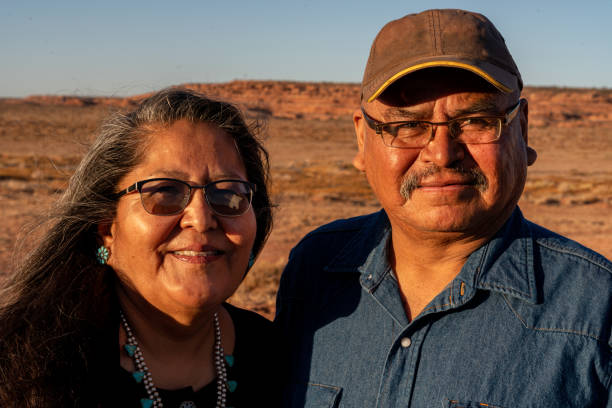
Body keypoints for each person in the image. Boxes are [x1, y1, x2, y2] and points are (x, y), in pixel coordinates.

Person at [275, 9, 612, 407]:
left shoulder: (597, 311)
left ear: (521, 130)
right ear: (362, 140)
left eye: (476, 120)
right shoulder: (314, 271)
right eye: (407, 125)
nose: (442, 152)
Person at [0, 88, 279, 407]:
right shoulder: (26, 373)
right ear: (107, 230)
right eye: (164, 193)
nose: (201, 220)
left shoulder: (284, 359)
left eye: (228, 194)